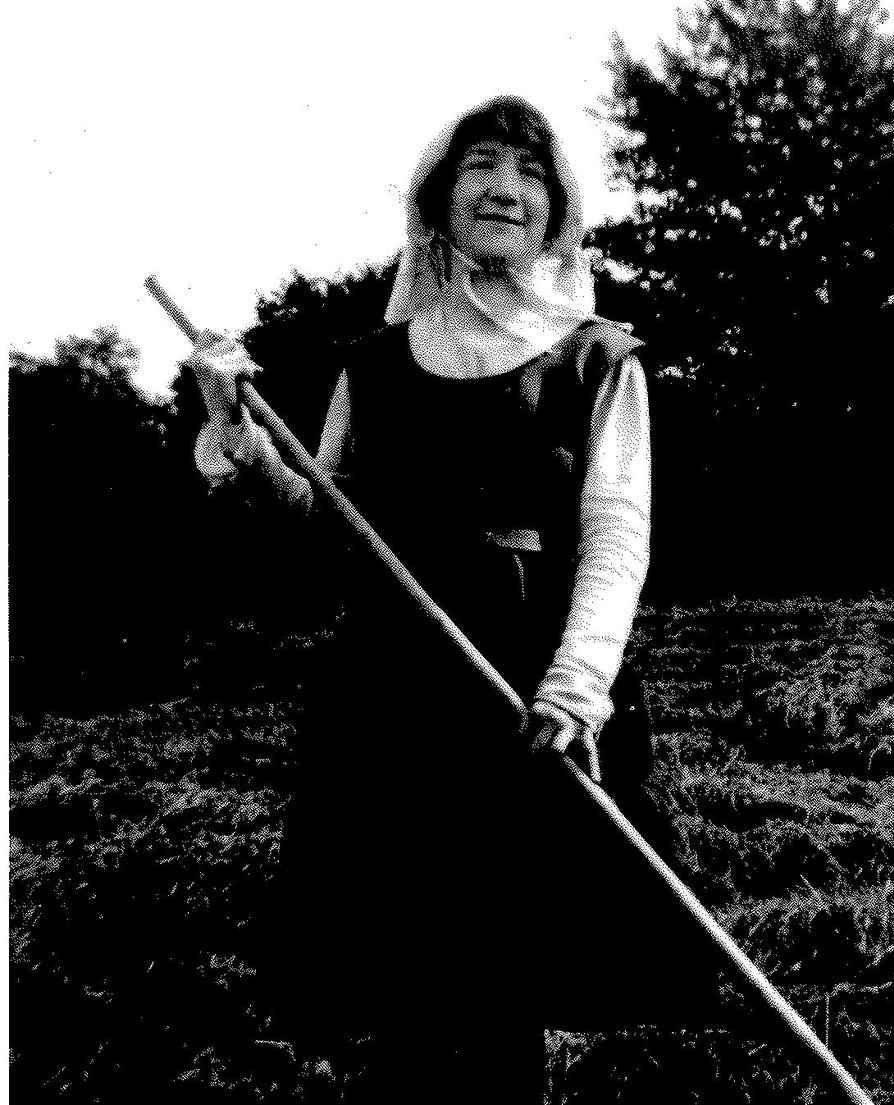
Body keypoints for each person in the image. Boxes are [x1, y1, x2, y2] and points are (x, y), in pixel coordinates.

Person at [185, 96, 674, 1099]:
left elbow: (618, 533)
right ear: (437, 201)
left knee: (506, 985)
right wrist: (235, 427)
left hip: (526, 682)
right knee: (405, 988)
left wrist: (578, 681)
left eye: (529, 170)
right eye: (480, 164)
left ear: (557, 204)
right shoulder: (374, 364)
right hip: (393, 696)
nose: (504, 187)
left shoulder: (598, 358)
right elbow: (322, 516)